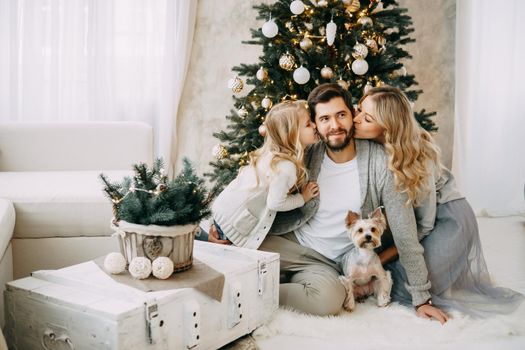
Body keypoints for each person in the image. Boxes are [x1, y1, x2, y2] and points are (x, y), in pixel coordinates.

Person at [259, 83, 449, 322]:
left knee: (328, 299)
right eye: (325, 118)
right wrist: (227, 227)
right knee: (235, 249)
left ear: (353, 115)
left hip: (330, 263)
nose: (335, 126)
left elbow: (405, 233)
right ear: (315, 125)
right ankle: (275, 276)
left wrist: (422, 299)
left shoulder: (380, 164)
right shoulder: (308, 154)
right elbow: (261, 183)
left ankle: (256, 293)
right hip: (293, 243)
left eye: (341, 115)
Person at [352, 85, 524, 317]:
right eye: (359, 109)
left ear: (387, 127)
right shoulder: (371, 145)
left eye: (367, 118)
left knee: (405, 284)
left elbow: (423, 226)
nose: (356, 119)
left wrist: (380, 259)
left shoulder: (417, 158)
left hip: (448, 219)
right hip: (423, 220)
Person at [205, 100, 320, 249]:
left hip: (223, 212)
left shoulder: (270, 154)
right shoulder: (286, 167)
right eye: (308, 124)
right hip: (234, 224)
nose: (315, 125)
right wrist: (302, 198)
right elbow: (276, 203)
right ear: (292, 134)